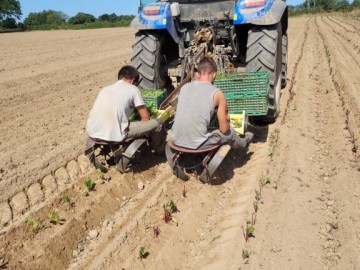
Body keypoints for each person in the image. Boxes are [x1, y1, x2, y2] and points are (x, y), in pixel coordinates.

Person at [171, 57, 253, 150]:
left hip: (175, 139)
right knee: (230, 133)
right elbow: (224, 129)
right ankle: (244, 143)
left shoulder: (184, 87)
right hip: (198, 144)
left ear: (198, 73)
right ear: (214, 74)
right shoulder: (217, 93)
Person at [85, 65, 165, 158]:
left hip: (92, 132)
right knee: (158, 123)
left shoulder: (104, 89)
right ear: (132, 80)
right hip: (114, 135)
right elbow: (145, 118)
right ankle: (159, 151)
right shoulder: (133, 89)